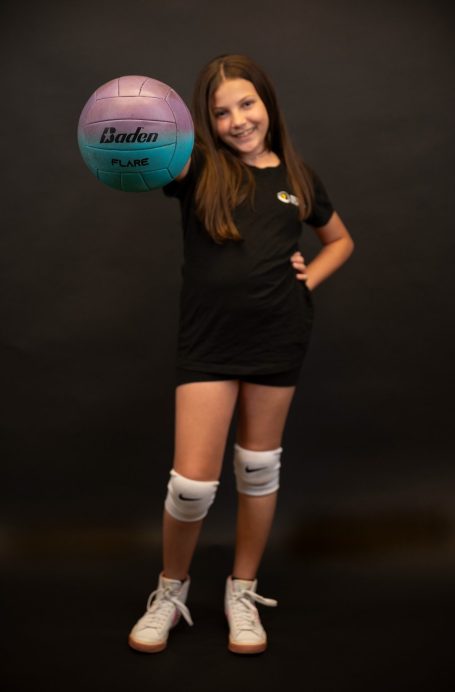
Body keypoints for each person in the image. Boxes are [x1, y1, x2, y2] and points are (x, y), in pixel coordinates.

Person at [128, 54, 354, 655]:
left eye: (247, 104)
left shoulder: (299, 177)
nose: (238, 120)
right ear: (206, 120)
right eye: (221, 111)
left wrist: (308, 277)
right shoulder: (199, 168)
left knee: (258, 470)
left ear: (268, 104)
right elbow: (146, 148)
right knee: (191, 488)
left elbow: (339, 240)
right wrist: (121, 122)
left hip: (279, 340)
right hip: (207, 345)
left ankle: (242, 590)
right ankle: (170, 591)